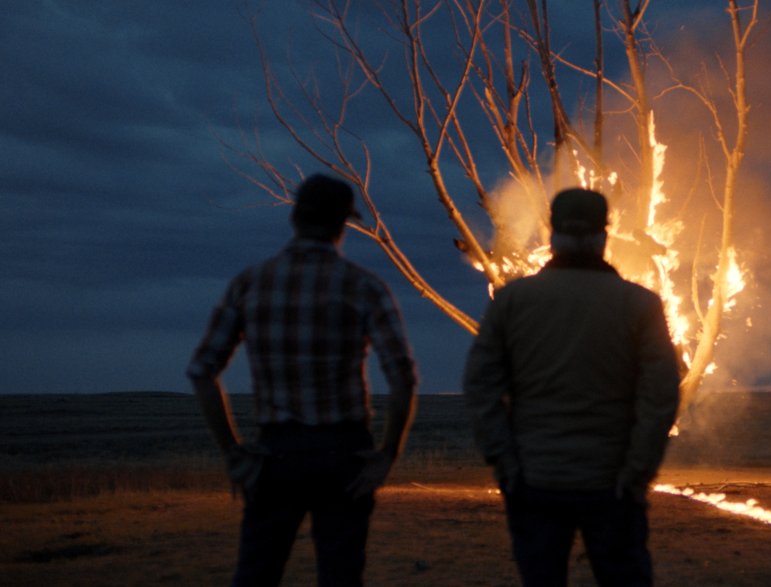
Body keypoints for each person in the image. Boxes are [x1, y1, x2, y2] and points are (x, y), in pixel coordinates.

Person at [187, 173, 418, 587]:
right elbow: (402, 378)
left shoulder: (251, 283)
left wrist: (233, 454)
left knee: (257, 573)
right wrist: (387, 454)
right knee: (341, 574)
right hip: (344, 453)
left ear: (295, 218)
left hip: (276, 453)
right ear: (341, 224)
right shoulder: (364, 286)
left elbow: (203, 371)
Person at [463, 188, 681, 587]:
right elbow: (662, 394)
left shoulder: (513, 301)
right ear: (604, 236)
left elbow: (479, 388)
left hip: (535, 479)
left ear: (552, 234)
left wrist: (504, 461)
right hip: (612, 482)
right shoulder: (639, 304)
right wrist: (637, 471)